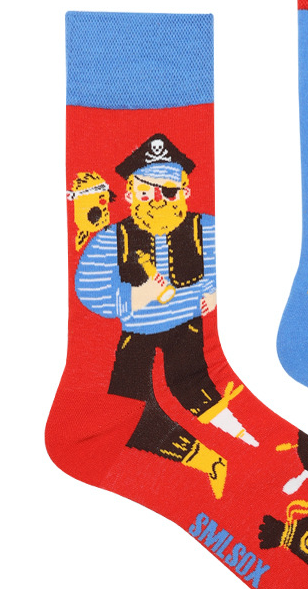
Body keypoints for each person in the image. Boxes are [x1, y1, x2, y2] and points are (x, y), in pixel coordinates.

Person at [74, 134, 258, 498]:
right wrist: (136, 296)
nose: (158, 201)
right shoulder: (112, 239)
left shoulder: (206, 229)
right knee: (125, 408)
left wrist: (214, 292)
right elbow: (89, 288)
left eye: (169, 192)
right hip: (137, 333)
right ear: (129, 195)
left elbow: (242, 261)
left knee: (196, 389)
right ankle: (210, 461)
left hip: (188, 327)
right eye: (146, 193)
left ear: (185, 192)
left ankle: (248, 444)